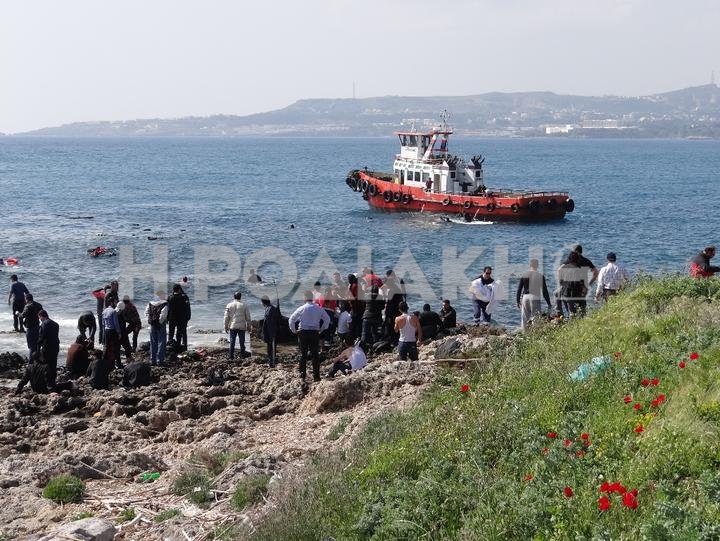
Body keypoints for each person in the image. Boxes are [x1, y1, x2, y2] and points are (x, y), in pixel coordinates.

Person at [288, 290, 331, 382]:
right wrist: (322, 329)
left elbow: (291, 319)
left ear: (304, 298)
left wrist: (294, 331)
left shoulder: (302, 308)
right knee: (315, 355)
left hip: (303, 332)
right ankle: (316, 376)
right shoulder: (318, 308)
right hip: (314, 333)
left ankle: (302, 375)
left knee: (303, 354)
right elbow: (327, 319)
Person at [516, 259, 552, 330]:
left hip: (525, 297)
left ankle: (525, 335)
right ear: (537, 266)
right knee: (536, 319)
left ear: (530, 265)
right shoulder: (540, 276)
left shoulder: (524, 275)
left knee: (525, 319)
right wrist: (549, 303)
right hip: (535, 297)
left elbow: (519, 289)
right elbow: (545, 291)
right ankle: (535, 336)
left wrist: (517, 301)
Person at [570, 245, 598, 317]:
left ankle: (574, 322)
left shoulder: (571, 261)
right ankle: (582, 322)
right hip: (583, 287)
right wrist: (589, 284)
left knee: (573, 308)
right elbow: (596, 272)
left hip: (573, 286)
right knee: (582, 307)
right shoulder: (586, 261)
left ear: (576, 251)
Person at [557, 251, 585, 318]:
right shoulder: (579, 270)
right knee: (574, 313)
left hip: (564, 294)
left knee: (569, 311)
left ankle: (565, 318)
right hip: (572, 295)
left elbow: (561, 281)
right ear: (577, 260)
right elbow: (581, 285)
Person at [224, 291, 251, 360]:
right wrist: (248, 327)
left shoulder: (229, 305)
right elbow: (248, 317)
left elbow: (226, 317)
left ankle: (231, 357)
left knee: (232, 342)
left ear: (234, 297)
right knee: (242, 342)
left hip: (232, 326)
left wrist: (225, 326)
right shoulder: (244, 305)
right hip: (242, 326)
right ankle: (242, 356)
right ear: (240, 297)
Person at [145, 292, 169, 366]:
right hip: (160, 324)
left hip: (152, 324)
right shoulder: (165, 304)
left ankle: (153, 360)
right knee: (161, 342)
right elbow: (163, 315)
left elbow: (146, 313)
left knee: (153, 342)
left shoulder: (151, 303)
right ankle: (160, 360)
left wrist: (150, 321)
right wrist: (160, 322)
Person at [38, 310, 60, 385]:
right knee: (53, 364)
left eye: (39, 318)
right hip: (56, 346)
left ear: (41, 316)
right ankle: (53, 380)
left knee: (46, 365)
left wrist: (38, 349)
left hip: (47, 347)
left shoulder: (44, 324)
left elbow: (41, 338)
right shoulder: (56, 324)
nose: (40, 320)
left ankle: (46, 382)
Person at [167, 284, 191, 351]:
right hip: (181, 318)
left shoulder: (169, 297)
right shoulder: (184, 297)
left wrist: (167, 318)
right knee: (181, 332)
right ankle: (181, 346)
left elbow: (167, 309)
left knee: (171, 332)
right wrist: (188, 317)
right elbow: (188, 308)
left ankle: (170, 346)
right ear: (179, 289)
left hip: (172, 318)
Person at [102, 296, 123, 369]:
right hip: (113, 331)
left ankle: (104, 362)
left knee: (107, 347)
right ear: (112, 302)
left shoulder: (104, 311)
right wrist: (119, 333)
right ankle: (119, 364)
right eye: (115, 302)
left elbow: (103, 324)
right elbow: (116, 324)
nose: (116, 303)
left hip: (107, 331)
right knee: (116, 348)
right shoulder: (113, 311)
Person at [19, 293, 43, 358]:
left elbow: (22, 315)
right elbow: (42, 315)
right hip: (37, 326)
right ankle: (37, 360)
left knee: (31, 346)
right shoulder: (39, 305)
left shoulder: (27, 306)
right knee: (37, 344)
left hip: (30, 328)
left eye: (25, 299)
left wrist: (18, 313)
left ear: (27, 299)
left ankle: (30, 362)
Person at [261, 295, 280, 368]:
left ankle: (272, 363)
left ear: (263, 302)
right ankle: (272, 361)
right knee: (272, 347)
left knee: (271, 347)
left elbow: (266, 323)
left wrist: (264, 332)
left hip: (271, 331)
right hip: (273, 330)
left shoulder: (269, 309)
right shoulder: (272, 308)